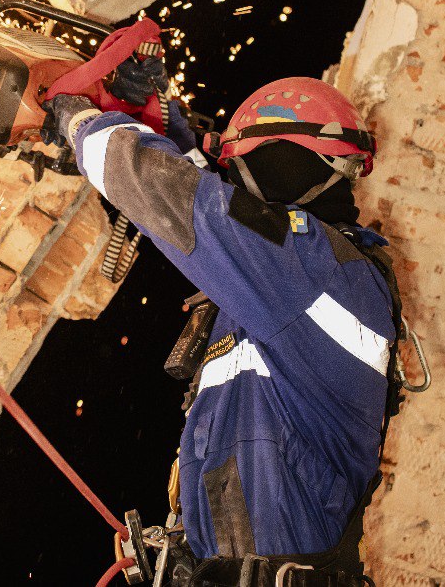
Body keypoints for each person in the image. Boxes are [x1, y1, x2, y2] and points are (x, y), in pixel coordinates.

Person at [47, 56, 400, 587]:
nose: (232, 178)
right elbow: (215, 199)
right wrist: (161, 120)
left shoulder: (317, 267)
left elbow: (193, 205)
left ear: (281, 163)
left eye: (242, 164)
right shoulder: (278, 281)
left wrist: (80, 124)